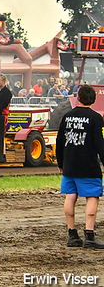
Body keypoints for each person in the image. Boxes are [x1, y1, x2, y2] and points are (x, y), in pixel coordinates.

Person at [57, 84, 104, 249]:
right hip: (88, 167)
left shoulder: (67, 116)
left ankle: (72, 235)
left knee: (70, 197)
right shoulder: (97, 118)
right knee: (92, 197)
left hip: (69, 165)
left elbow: (59, 141)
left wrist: (60, 163)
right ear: (94, 100)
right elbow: (100, 144)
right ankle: (89, 235)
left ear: (78, 98)